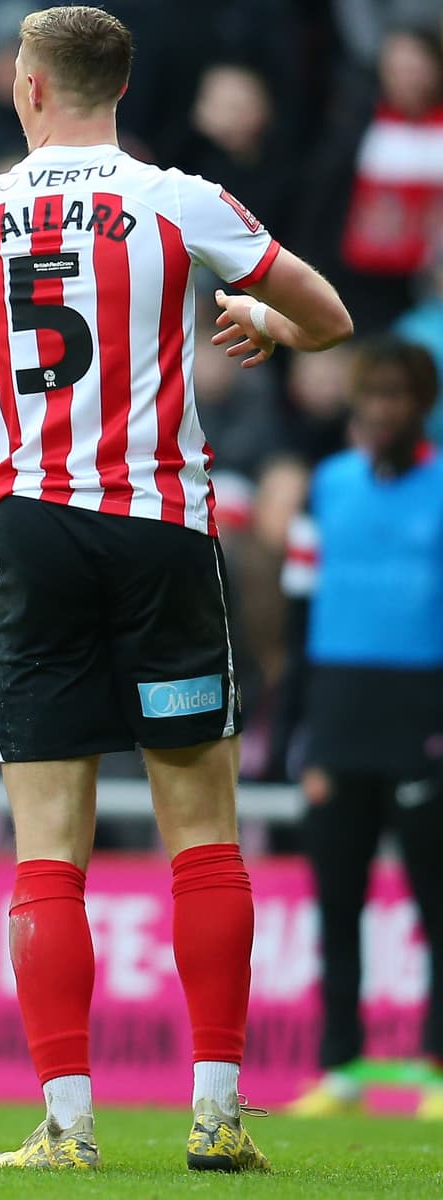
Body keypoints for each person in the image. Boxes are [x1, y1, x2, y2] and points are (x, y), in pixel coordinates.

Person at [0, 4, 353, 1171]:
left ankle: (68, 1125)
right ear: (117, 89)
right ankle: (219, 1112)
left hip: (35, 532)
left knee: (48, 846)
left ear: (29, 87)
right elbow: (330, 317)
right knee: (204, 832)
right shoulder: (179, 200)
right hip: (161, 531)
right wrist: (261, 325)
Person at [276, 341, 443, 1120]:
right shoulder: (328, 488)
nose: (381, 410)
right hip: (341, 711)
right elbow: (299, 611)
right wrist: (295, 735)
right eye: (370, 396)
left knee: (435, 900)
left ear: (423, 404)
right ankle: (340, 1066)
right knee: (335, 900)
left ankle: (436, 1065)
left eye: (396, 396)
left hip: (423, 712)